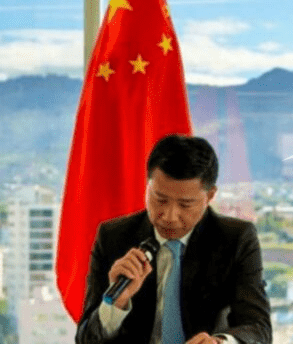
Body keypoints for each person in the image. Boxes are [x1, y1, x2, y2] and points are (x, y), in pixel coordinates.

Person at [76, 134, 271, 344]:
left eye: (185, 204)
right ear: (148, 186)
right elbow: (85, 339)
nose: (169, 216)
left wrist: (220, 343)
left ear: (210, 196)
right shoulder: (114, 237)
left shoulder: (236, 239)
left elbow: (258, 328)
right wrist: (117, 303)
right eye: (160, 199)